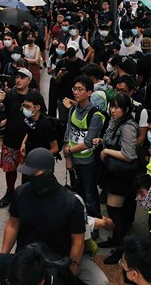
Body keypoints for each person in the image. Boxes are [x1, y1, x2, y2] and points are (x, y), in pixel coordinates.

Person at [2, 148, 109, 284]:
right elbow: (12, 225)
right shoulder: (21, 193)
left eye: (34, 173)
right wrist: (3, 257)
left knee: (101, 282)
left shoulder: (71, 203)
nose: (30, 177)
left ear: (49, 172)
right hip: (29, 259)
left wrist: (71, 273)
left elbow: (78, 242)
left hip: (60, 259)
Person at [97, 94, 139, 264]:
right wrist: (101, 142)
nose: (113, 110)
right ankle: (116, 240)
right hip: (113, 173)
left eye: (117, 107)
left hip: (121, 177)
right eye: (111, 106)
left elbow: (129, 155)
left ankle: (120, 250)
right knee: (115, 211)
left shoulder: (128, 127)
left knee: (114, 212)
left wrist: (106, 151)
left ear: (126, 109)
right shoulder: (116, 122)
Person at [63, 76, 105, 218]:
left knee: (90, 194)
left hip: (88, 162)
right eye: (74, 89)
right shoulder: (73, 110)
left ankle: (95, 223)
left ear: (89, 92)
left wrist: (69, 151)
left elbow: (88, 142)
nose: (76, 92)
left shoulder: (95, 115)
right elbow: (68, 133)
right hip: (74, 160)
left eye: (80, 89)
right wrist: (68, 158)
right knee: (77, 193)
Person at [0, 69, 32, 208]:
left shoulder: (34, 96)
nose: (18, 80)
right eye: (17, 77)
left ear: (29, 81)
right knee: (10, 170)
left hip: (28, 141)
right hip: (10, 139)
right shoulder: (9, 95)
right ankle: (10, 192)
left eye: (22, 77)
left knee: (28, 171)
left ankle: (26, 196)